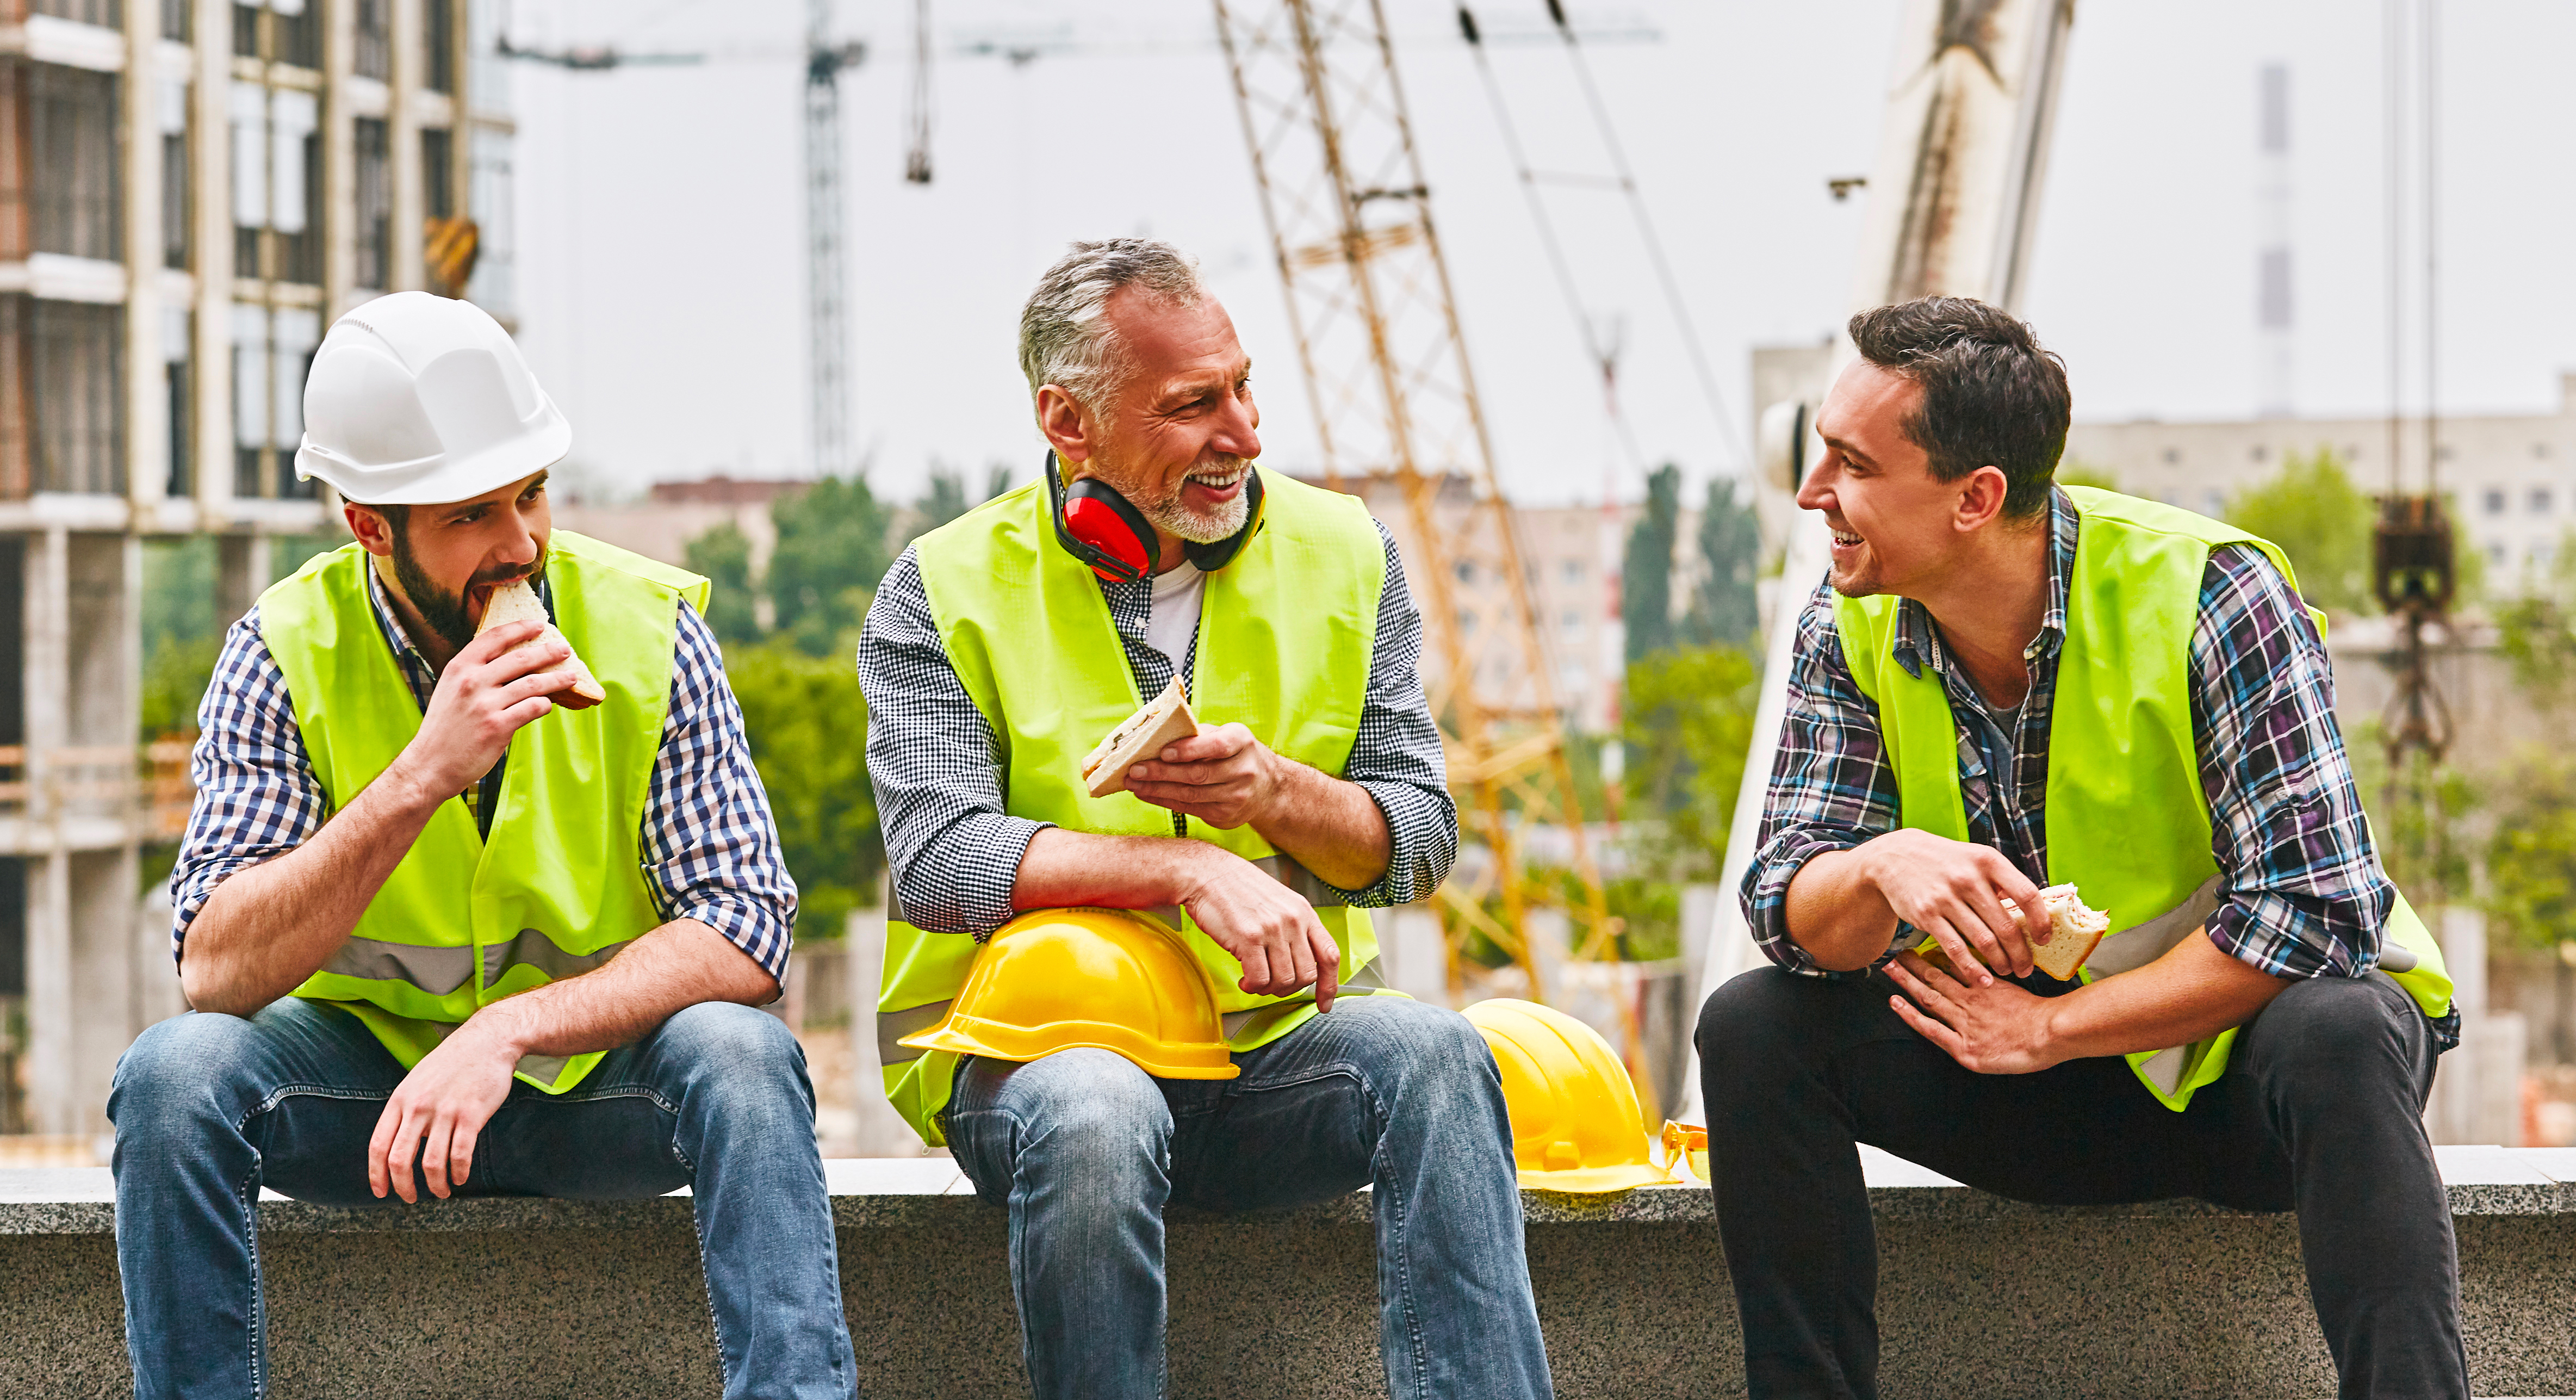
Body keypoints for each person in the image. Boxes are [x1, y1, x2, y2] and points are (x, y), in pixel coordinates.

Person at [1698, 296, 2462, 1400]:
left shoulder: (2212, 592)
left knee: (2342, 1022)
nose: (1816, 491)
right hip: (2038, 1084)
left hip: (2243, 1085)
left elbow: (2313, 912)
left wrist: (2056, 1024)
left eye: (1854, 463)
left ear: (1977, 497)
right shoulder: (1850, 614)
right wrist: (1877, 863)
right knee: (1755, 1026)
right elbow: (1785, 904)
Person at [110, 293, 854, 1400]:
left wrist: (507, 1030)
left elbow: (746, 926)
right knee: (170, 1078)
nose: (521, 545)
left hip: (594, 1087)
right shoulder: (280, 651)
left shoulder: (650, 627)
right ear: (371, 525)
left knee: (744, 1056)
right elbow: (216, 969)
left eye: (531, 493)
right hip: (374, 1098)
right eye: (470, 516)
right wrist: (422, 774)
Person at [858, 240, 1553, 1400]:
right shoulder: (942, 585)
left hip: (1272, 1046)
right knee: (1096, 1107)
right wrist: (1179, 872)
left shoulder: (1346, 553)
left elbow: (1419, 838)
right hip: (1036, 1062)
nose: (1244, 432)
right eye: (1193, 405)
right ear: (1066, 420)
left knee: (1437, 1054)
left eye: (1243, 385)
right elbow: (937, 854)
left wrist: (1277, 793)